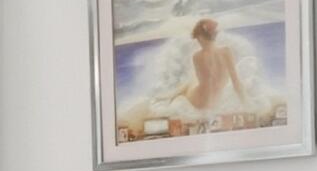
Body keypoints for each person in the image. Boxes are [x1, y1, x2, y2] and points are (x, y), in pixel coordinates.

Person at [117, 16, 280, 140]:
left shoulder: (197, 56)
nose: (198, 42)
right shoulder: (226, 51)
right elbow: (235, 82)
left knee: (188, 86)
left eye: (198, 39)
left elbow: (205, 82)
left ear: (202, 38)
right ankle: (170, 96)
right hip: (212, 99)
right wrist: (246, 102)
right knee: (193, 83)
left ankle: (168, 96)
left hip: (199, 100)